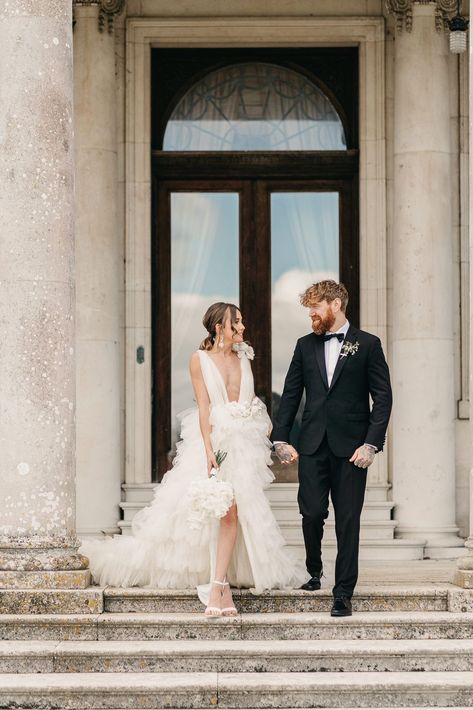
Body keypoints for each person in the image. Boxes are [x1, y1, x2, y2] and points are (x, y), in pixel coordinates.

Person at [81, 302, 301, 616]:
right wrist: (210, 451)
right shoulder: (199, 360)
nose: (242, 328)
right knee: (225, 511)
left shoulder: (244, 355)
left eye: (241, 322)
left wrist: (260, 419)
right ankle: (217, 588)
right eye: (236, 323)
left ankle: (220, 584)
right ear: (219, 327)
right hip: (214, 444)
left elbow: (249, 397)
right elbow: (203, 407)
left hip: (244, 447)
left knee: (234, 514)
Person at [272, 280, 392, 617]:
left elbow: (382, 398)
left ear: (336, 304)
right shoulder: (303, 346)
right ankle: (314, 570)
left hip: (353, 448)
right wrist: (281, 438)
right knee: (311, 513)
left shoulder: (368, 344)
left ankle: (342, 592)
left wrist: (371, 443)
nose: (310, 312)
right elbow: (291, 394)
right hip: (311, 445)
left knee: (348, 520)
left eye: (315, 305)